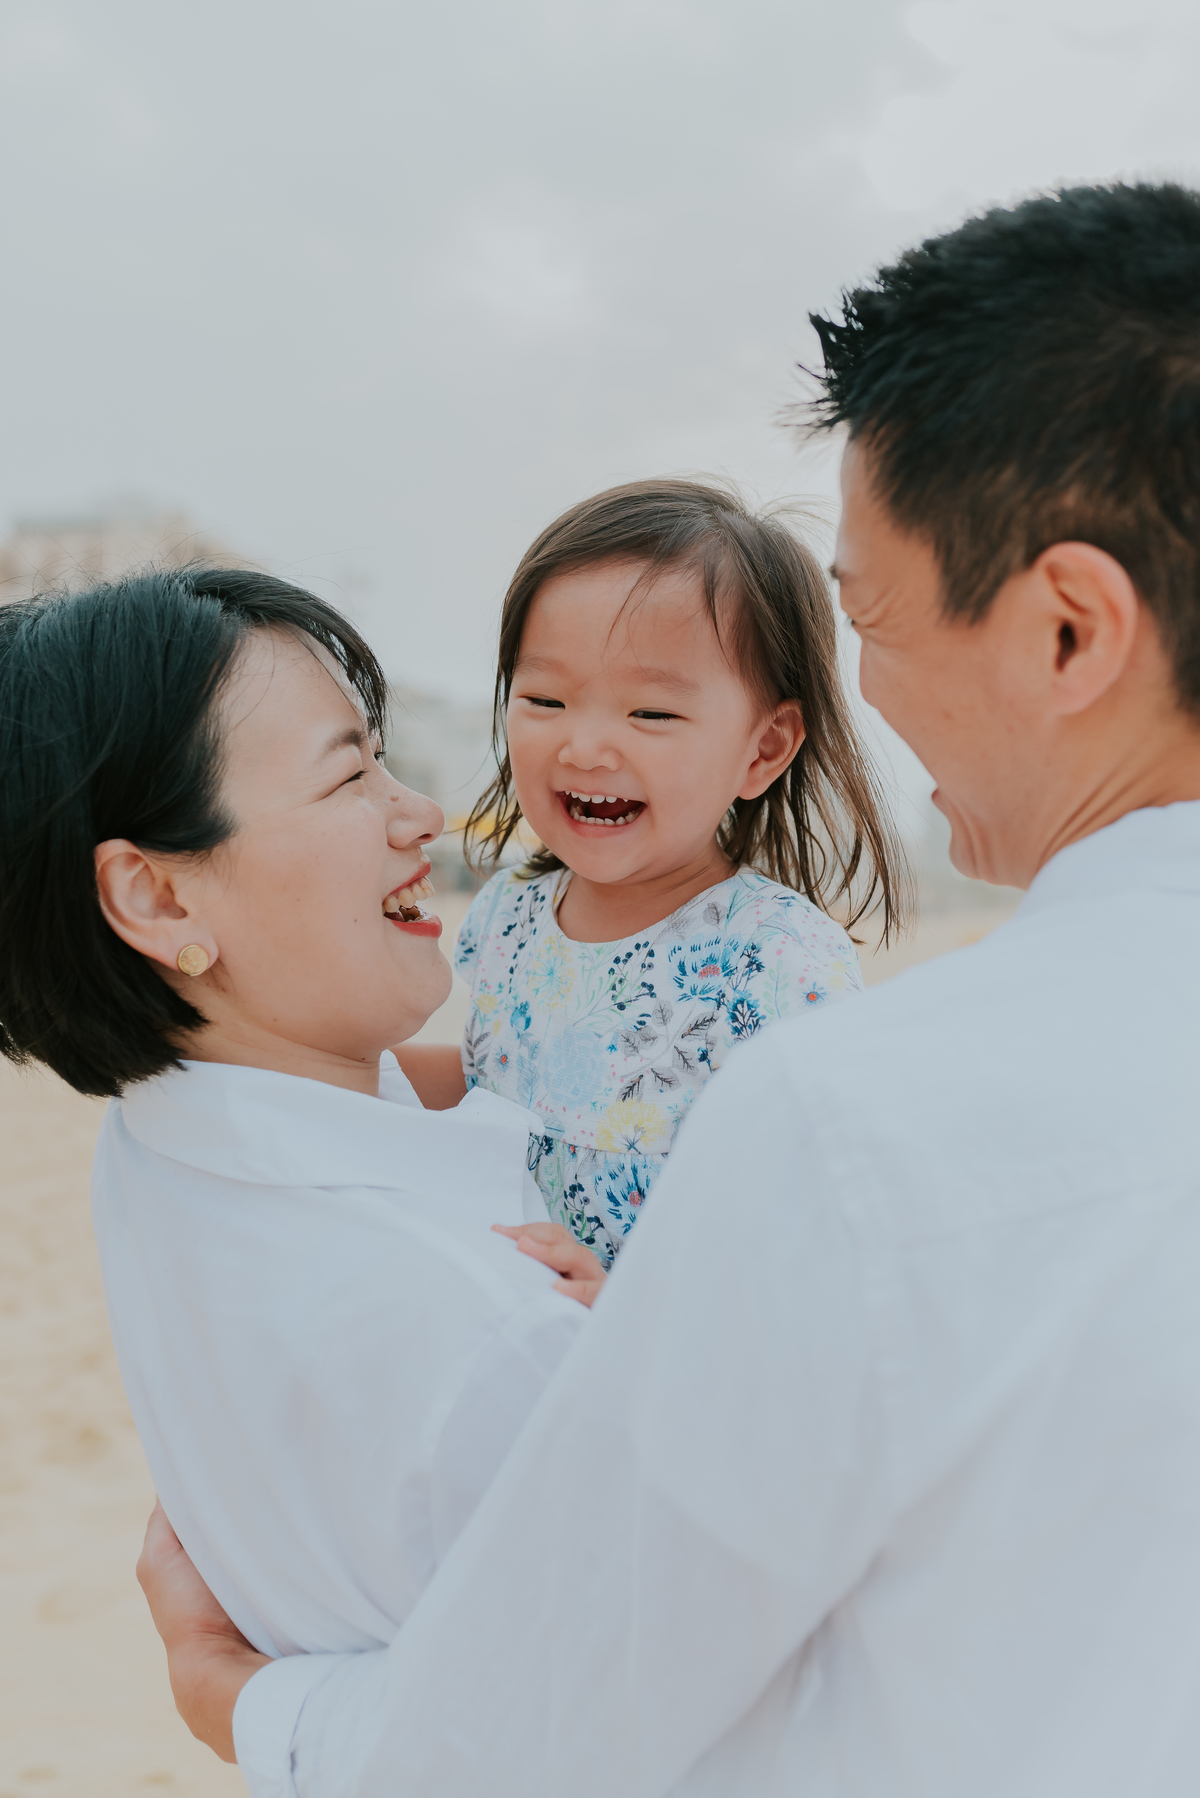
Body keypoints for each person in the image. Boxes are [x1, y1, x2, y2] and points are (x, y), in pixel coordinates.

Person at [143, 180, 1200, 1796]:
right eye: (548, 698)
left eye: (873, 614)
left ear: (1070, 629)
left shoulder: (847, 1114)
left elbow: (524, 1728)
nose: (876, 687)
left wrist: (238, 1695)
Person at [0, 567, 604, 1674]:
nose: (417, 814)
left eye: (382, 758)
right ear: (160, 897)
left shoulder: (155, 1152)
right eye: (348, 778)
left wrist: (236, 1699)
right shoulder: (500, 1332)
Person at [400, 479, 907, 1264]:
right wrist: (332, 1076)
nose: (585, 747)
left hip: (664, 1353)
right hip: (513, 1330)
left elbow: (816, 1217)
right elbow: (493, 1086)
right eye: (545, 699)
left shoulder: (774, 962)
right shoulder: (512, 914)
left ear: (764, 748)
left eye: (652, 713)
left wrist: (626, 1306)